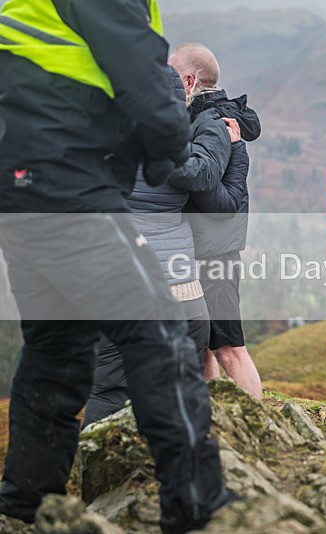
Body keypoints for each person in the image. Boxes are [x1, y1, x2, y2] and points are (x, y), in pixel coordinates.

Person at [0, 2, 235, 532]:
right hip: (65, 180)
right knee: (159, 327)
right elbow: (143, 75)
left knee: (56, 348)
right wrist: (166, 151)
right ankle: (197, 499)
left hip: (21, 181)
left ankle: (25, 503)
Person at [83, 66, 239, 427]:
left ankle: (96, 472)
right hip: (184, 295)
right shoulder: (177, 149)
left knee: (110, 391)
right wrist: (234, 147)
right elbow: (207, 178)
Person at [168, 42, 263, 398]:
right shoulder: (206, 117)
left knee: (229, 348)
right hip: (203, 248)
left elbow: (210, 189)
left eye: (173, 76)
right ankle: (209, 419)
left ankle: (261, 426)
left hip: (215, 253)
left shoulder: (212, 122)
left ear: (189, 80)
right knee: (205, 346)